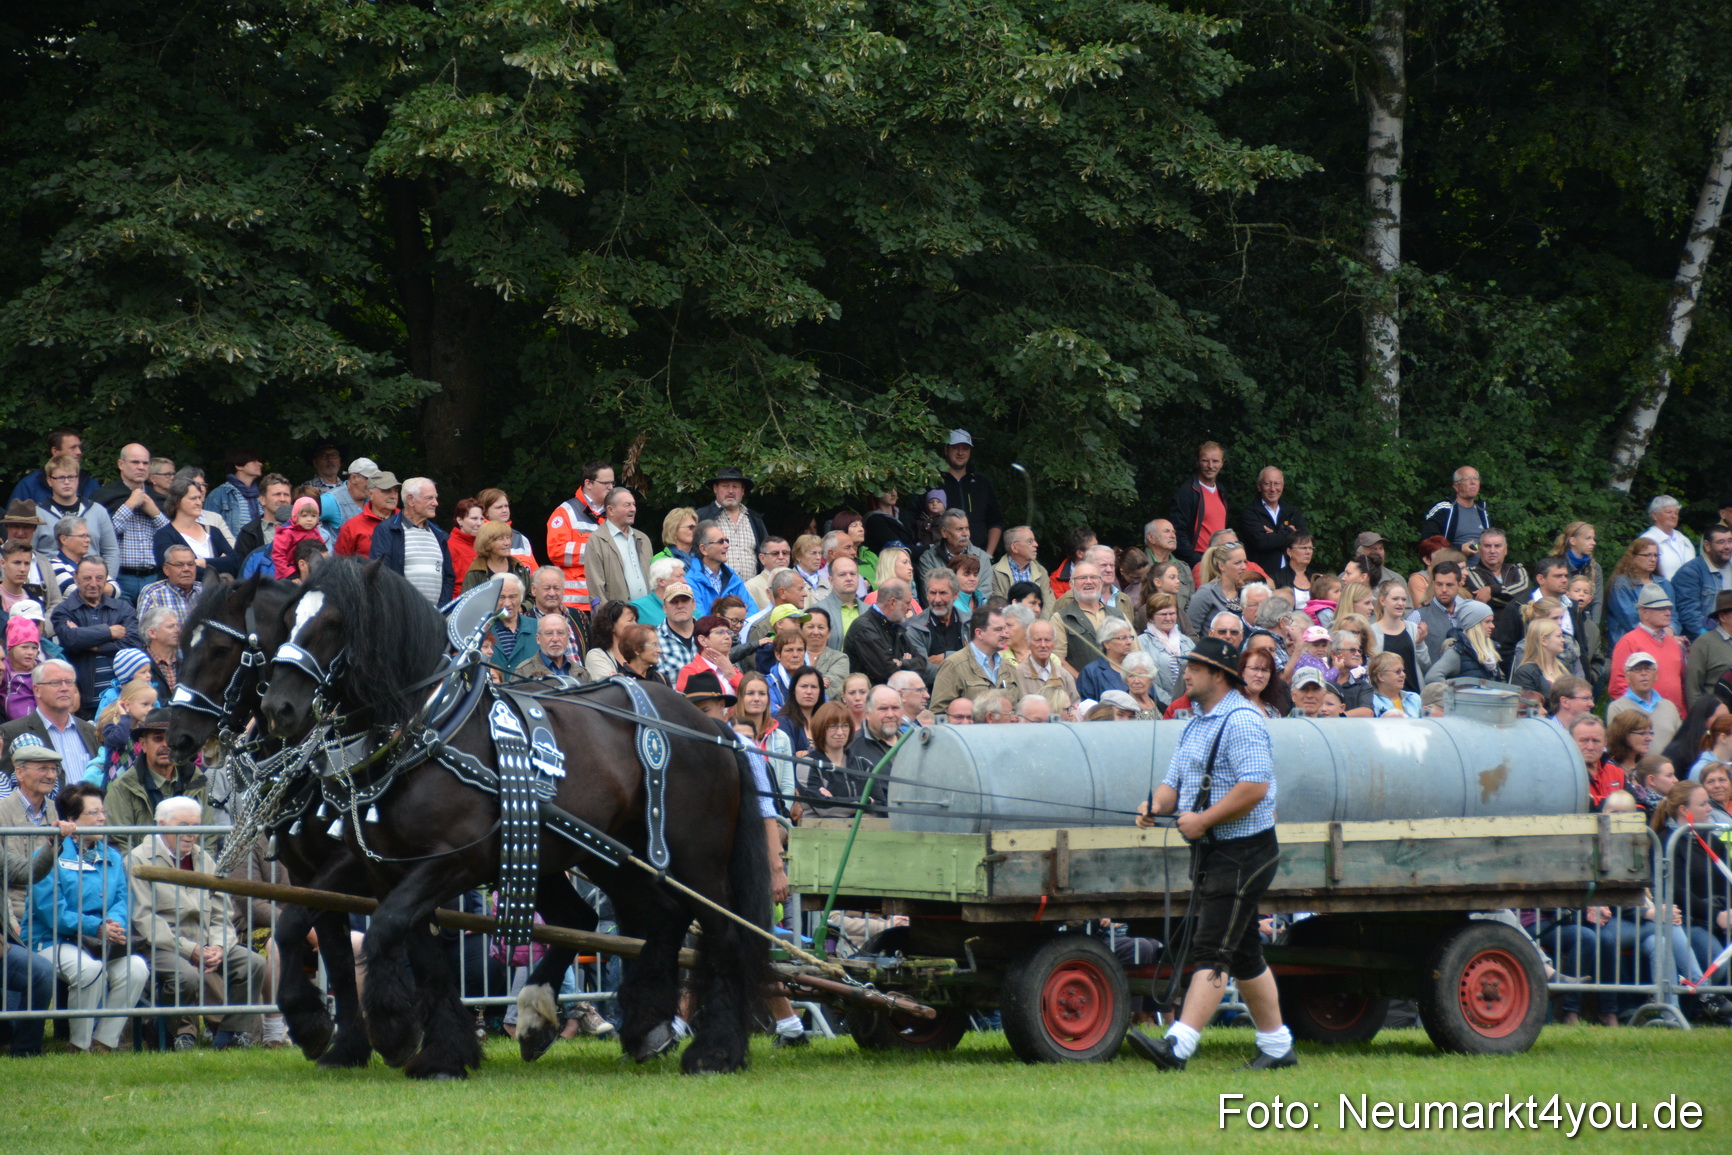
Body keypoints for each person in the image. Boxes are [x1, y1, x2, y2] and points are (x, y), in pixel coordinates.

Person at [1127, 637, 1292, 1071]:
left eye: (1194, 667)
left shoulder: (1242, 721)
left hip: (1245, 851)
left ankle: (1178, 1046)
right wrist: (1155, 805)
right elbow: (1173, 780)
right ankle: (1277, 1049)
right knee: (1243, 954)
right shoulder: (1197, 722)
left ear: (1218, 675)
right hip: (1215, 851)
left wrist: (1202, 820)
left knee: (1213, 948)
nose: (1186, 673)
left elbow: (1254, 787)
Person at [128, 795, 266, 1049]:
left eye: (197, 827)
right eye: (184, 827)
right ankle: (172, 1032)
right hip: (161, 946)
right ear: (161, 825)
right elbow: (145, 919)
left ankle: (231, 1034)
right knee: (186, 976)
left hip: (206, 941)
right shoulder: (138, 859)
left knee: (253, 964)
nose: (192, 834)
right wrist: (191, 951)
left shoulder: (205, 859)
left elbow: (221, 911)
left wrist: (220, 946)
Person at [25, 781, 149, 1054]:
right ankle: (78, 1046)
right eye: (94, 813)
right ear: (71, 820)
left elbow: (121, 899)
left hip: (97, 939)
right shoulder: (48, 856)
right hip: (51, 939)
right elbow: (52, 913)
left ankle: (105, 1043)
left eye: (103, 812)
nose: (103, 818)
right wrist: (98, 926)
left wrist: (113, 924)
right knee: (89, 970)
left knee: (137, 967)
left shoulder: (113, 856)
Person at [0, 736, 68, 1057]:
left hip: (57, 913)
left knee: (40, 971)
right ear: (19, 772)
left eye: (54, 769)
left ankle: (28, 1050)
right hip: (15, 919)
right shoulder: (2, 812)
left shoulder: (60, 813)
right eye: (43, 768)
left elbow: (26, 870)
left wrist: (55, 844)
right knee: (37, 971)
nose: (52, 775)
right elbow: (17, 876)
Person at [103, 709, 212, 850]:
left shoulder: (198, 781)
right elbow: (118, 843)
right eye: (157, 738)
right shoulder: (122, 787)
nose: (165, 745)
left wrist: (199, 869)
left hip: (190, 869)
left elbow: (209, 837)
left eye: (171, 738)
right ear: (143, 745)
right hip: (142, 869)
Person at [50, 559, 143, 718]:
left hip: (122, 698)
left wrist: (93, 645)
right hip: (84, 701)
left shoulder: (122, 608)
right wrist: (109, 632)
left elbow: (134, 642)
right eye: (87, 578)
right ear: (75, 578)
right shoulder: (63, 610)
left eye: (99, 578)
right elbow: (70, 639)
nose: (93, 583)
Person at [32, 454, 121, 579]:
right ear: (49, 481)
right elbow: (29, 554)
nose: (67, 482)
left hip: (94, 582)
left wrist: (105, 581)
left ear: (78, 479)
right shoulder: (37, 513)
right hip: (52, 582)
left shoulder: (97, 511)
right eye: (61, 478)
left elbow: (111, 551)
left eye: (71, 477)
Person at [367, 477, 453, 604]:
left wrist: (441, 609)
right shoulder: (388, 530)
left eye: (435, 498)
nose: (436, 503)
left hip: (434, 617)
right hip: (402, 616)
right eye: (429, 498)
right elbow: (382, 574)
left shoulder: (439, 534)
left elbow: (448, 577)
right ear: (411, 500)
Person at [1607, 585, 1686, 713]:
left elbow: (1681, 685)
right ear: (1644, 613)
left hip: (1674, 720)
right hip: (1641, 722)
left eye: (1669, 608)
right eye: (1661, 609)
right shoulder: (1628, 642)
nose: (1668, 613)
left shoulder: (1673, 644)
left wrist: (1682, 716)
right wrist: (1641, 715)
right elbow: (1618, 687)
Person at [842, 579, 925, 688]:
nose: (910, 608)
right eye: (907, 603)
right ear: (892, 602)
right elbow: (886, 672)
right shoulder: (864, 628)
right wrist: (906, 663)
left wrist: (901, 663)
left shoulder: (894, 625)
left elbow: (922, 664)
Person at [153, 473, 239, 576]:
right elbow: (175, 571)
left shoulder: (213, 531)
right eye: (193, 498)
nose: (199, 502)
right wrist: (219, 563)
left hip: (215, 591)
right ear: (177, 502)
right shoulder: (164, 535)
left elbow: (236, 563)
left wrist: (204, 562)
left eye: (199, 498)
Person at [1053, 560, 1128, 678]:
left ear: (1101, 582)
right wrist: (1085, 683)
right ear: (1071, 585)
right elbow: (1058, 661)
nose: (1089, 582)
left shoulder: (1118, 614)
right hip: (1083, 691)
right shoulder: (1061, 618)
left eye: (1093, 577)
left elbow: (1133, 652)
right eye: (1082, 578)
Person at [931, 606, 1013, 713]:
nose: (1005, 634)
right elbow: (939, 713)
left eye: (1005, 629)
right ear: (979, 633)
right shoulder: (953, 665)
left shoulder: (1009, 668)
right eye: (998, 629)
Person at [584, 487, 654, 610]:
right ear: (610, 510)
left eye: (633, 504)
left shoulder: (643, 539)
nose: (633, 509)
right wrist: (609, 620)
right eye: (627, 505)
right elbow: (596, 589)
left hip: (646, 614)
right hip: (617, 618)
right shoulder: (597, 540)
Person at [696, 466, 769, 581]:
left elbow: (767, 555)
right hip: (715, 591)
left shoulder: (755, 520)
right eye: (725, 486)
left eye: (735, 486)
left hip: (750, 593)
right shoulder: (702, 517)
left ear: (742, 490)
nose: (730, 491)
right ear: (715, 488)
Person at [1236, 467, 1308, 576]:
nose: (1273, 489)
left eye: (1277, 483)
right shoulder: (1249, 513)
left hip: (1292, 575)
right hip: (1261, 577)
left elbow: (1304, 540)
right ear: (1259, 486)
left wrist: (1274, 536)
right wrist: (1289, 532)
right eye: (1267, 484)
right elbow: (1262, 542)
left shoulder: (1292, 512)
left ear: (1282, 486)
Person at [1169, 442, 1229, 568]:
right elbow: (1177, 531)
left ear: (1222, 463)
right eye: (1205, 461)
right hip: (1198, 562)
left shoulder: (1221, 491)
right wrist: (1196, 560)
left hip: (1220, 560)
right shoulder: (1187, 492)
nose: (1210, 466)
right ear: (1197, 462)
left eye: (1215, 461)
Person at [917, 509, 993, 605]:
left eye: (967, 528)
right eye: (959, 529)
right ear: (944, 532)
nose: (966, 534)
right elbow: (930, 597)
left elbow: (984, 596)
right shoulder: (928, 559)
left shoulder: (982, 558)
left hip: (975, 617)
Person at [1605, 537, 1675, 640]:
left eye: (1656, 555)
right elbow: (1631, 621)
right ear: (1633, 557)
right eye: (1647, 555)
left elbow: (1673, 616)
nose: (1653, 559)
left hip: (1662, 641)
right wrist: (1663, 635)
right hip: (1631, 646)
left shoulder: (1664, 584)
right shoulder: (1621, 584)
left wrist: (1671, 631)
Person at [10, 428, 99, 508]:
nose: (79, 452)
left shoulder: (89, 483)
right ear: (55, 451)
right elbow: (13, 522)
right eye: (73, 448)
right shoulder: (30, 484)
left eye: (79, 447)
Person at [1422, 598, 1500, 686]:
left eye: (1492, 621)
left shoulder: (1491, 650)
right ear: (1474, 624)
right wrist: (1455, 695)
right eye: (1487, 622)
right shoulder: (1456, 651)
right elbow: (1432, 677)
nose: (1492, 626)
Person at [685, 520, 756, 617]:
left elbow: (753, 613)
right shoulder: (690, 582)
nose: (727, 545)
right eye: (720, 541)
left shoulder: (733, 578)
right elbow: (700, 620)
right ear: (704, 549)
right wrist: (733, 622)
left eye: (726, 540)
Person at [1674, 526, 1732, 639]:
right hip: (1709, 639)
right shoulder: (1690, 572)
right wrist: (1714, 639)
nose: (1728, 546)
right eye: (1721, 542)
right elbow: (1690, 615)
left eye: (1730, 541)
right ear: (1707, 546)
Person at [905, 567, 965, 676]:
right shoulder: (914, 628)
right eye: (933, 593)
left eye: (943, 593)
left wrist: (946, 657)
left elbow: (981, 663)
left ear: (956, 594)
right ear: (927, 595)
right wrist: (964, 659)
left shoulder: (970, 623)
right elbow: (923, 671)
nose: (937, 599)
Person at [232, 473, 294, 574]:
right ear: (262, 499)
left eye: (286, 494)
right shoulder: (248, 534)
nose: (282, 499)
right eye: (277, 494)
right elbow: (242, 572)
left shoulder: (302, 528)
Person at [1421, 465, 1490, 553]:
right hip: (1451, 565)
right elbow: (1428, 542)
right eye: (1467, 479)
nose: (1473, 482)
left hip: (1482, 566)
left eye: (1476, 478)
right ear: (1456, 486)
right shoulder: (1443, 509)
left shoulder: (1482, 511)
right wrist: (1459, 549)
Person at [1186, 543, 1248, 639]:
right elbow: (1190, 632)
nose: (1243, 566)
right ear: (1221, 566)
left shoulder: (1246, 593)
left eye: (1245, 562)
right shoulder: (1206, 593)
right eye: (1237, 563)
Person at [1463, 527, 1529, 611]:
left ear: (1505, 550)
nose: (1492, 551)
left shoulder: (1517, 569)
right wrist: (1518, 604)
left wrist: (1492, 590)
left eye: (1497, 546)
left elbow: (1524, 589)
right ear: (1479, 550)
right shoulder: (1470, 573)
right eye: (1487, 546)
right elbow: (1485, 599)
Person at [205, 448, 265, 536]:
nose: (260, 464)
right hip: (233, 548)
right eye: (253, 461)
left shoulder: (262, 495)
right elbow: (208, 528)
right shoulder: (220, 494)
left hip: (261, 548)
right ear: (239, 466)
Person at [992, 525, 1052, 614]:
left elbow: (1048, 603)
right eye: (1030, 541)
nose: (1036, 544)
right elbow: (997, 605)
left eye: (1034, 541)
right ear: (1014, 548)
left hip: (1036, 625)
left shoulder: (1041, 571)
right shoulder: (994, 572)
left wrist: (1039, 625)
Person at [473, 488, 537, 570]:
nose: (504, 510)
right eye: (499, 507)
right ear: (485, 512)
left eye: (506, 506)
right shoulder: (477, 537)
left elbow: (534, 574)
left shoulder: (521, 538)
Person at [1074, 618, 1135, 703]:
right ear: (1106, 644)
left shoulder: (1138, 668)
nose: (1129, 642)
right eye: (1123, 638)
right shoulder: (1091, 672)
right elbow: (1087, 709)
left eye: (1130, 637)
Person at [516, 611, 588, 683]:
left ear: (568, 637)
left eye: (560, 633)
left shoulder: (582, 673)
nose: (555, 639)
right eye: (549, 633)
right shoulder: (522, 673)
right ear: (538, 639)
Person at [1511, 619, 1569, 703]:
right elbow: (1526, 707)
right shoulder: (1525, 672)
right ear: (1543, 641)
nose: (1563, 640)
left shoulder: (1564, 667)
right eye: (1559, 636)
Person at [268, 497, 325, 580]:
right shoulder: (287, 533)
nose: (309, 519)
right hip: (288, 575)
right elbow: (277, 555)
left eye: (313, 516)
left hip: (310, 572)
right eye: (304, 516)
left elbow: (323, 551)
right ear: (295, 516)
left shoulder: (315, 532)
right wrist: (290, 574)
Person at [1639, 495, 1696, 580]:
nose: (1673, 516)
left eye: (1676, 513)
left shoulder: (1684, 540)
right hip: (1661, 591)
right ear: (1654, 515)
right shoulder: (1646, 540)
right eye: (1668, 512)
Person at [319, 457, 378, 536]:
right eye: (369, 479)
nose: (374, 483)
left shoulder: (375, 498)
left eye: (376, 479)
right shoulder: (330, 500)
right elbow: (301, 521)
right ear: (354, 478)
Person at [1239, 646, 1290, 719]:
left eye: (1264, 670)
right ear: (1242, 672)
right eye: (1254, 669)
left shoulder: (1273, 710)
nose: (1259, 675)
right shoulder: (1236, 705)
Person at [447, 498, 485, 579]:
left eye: (481, 519)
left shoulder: (485, 545)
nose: (479, 523)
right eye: (474, 518)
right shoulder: (449, 546)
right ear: (459, 520)